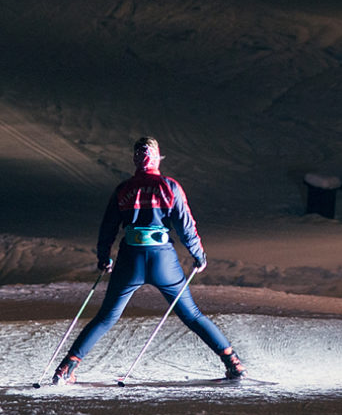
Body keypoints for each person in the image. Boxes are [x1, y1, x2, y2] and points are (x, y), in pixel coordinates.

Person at [53, 136, 246, 383]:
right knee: (192, 315)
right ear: (156, 157)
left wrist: (104, 257)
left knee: (106, 317)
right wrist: (198, 255)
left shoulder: (123, 189)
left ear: (135, 159)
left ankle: (66, 369)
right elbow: (186, 226)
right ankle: (233, 362)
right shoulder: (169, 186)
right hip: (162, 260)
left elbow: (108, 228)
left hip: (130, 258)